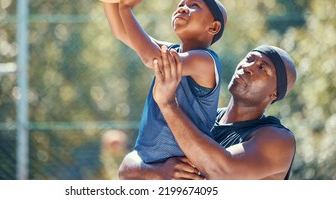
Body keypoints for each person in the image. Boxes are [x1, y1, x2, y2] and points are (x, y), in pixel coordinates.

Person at [118, 44, 297, 180]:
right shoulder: (202, 117)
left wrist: (168, 104)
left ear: (274, 94)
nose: (248, 67)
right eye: (249, 59)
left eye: (262, 68)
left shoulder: (278, 140)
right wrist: (156, 171)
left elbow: (222, 171)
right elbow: (127, 167)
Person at [102, 0, 228, 163]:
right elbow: (121, 31)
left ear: (214, 26)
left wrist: (126, 8)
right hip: (151, 163)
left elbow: (152, 59)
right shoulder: (171, 52)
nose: (183, 7)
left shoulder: (206, 61)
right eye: (180, 4)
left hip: (183, 171)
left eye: (194, 5)